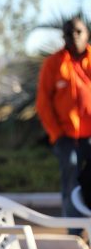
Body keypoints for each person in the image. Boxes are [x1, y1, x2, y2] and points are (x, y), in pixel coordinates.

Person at [36, 17, 91, 217]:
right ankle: (75, 233)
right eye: (69, 33)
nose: (74, 36)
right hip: (66, 137)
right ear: (63, 36)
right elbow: (43, 103)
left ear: (87, 34)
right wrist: (57, 134)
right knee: (70, 183)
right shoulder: (53, 64)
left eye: (78, 31)